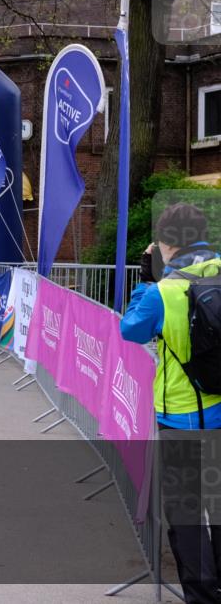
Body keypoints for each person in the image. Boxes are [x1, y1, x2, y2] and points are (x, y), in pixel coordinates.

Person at [120, 203, 220, 604]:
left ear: (167, 243)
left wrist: (146, 279)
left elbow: (131, 330)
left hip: (182, 414)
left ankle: (202, 595)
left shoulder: (165, 289)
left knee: (187, 513)